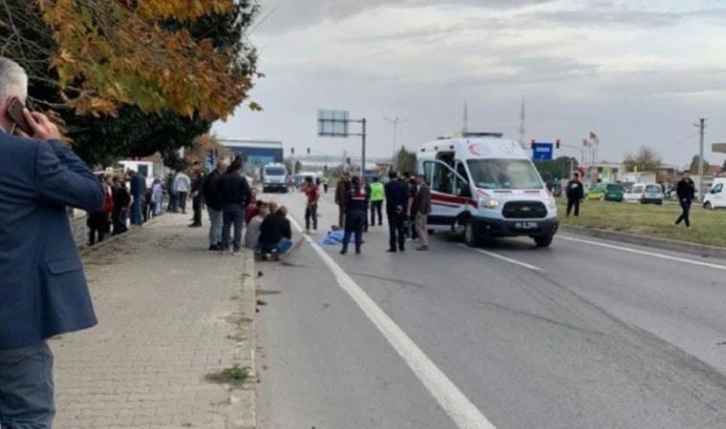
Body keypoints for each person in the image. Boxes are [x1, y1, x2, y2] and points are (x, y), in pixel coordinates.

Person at [0, 56, 105, 428]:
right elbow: (93, 195)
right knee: (26, 417)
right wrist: (57, 145)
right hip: (14, 321)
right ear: (12, 105)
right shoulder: (29, 156)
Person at [217, 158, 251, 255]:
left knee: (225, 227)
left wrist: (221, 201)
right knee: (238, 228)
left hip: (226, 205)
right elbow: (248, 192)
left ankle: (224, 247)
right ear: (239, 168)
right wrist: (246, 203)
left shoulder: (223, 178)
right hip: (238, 205)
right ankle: (236, 249)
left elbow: (217, 191)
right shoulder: (241, 179)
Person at [341, 176, 367, 255]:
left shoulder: (350, 192)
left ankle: (345, 248)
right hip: (361, 213)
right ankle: (358, 249)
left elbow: (346, 203)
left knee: (348, 231)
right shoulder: (363, 192)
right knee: (358, 232)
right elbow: (366, 203)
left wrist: (346, 211)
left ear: (352, 182)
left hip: (351, 213)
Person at [203, 161, 226, 250]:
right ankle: (213, 242)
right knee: (216, 224)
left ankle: (218, 240)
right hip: (215, 204)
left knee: (218, 223)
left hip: (213, 203)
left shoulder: (213, 176)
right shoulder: (215, 178)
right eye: (224, 168)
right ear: (221, 168)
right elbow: (215, 192)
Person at [384, 170, 409, 252]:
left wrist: (395, 207)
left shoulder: (387, 185)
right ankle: (402, 246)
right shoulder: (403, 185)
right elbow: (405, 198)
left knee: (392, 229)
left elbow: (389, 198)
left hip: (391, 210)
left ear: (389, 176)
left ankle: (393, 246)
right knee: (401, 228)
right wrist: (400, 206)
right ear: (396, 176)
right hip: (401, 210)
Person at [87, 175, 114, 245]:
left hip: (97, 211)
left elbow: (109, 201)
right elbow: (109, 201)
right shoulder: (104, 191)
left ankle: (94, 242)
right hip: (99, 211)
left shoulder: (96, 191)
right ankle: (97, 241)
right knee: (98, 228)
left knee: (95, 228)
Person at [411, 174, 432, 251]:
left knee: (419, 227)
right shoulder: (424, 187)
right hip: (424, 210)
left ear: (421, 179)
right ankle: (425, 243)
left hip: (421, 211)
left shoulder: (423, 188)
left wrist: (420, 211)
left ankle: (424, 243)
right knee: (423, 227)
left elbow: (423, 201)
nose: (416, 180)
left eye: (417, 179)